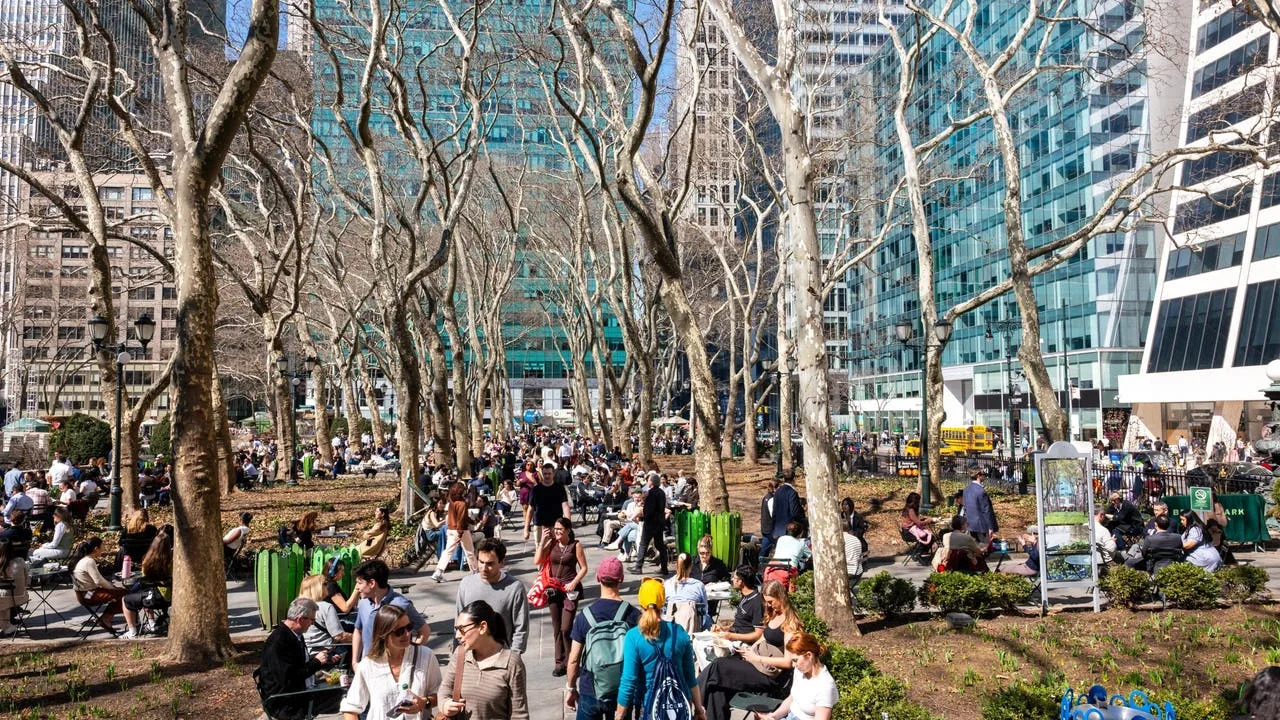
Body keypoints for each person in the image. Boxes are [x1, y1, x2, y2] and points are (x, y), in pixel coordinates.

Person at [698, 580, 798, 720]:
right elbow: (763, 638)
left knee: (717, 666)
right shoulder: (774, 614)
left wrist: (757, 658)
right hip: (757, 662)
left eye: (770, 601)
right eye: (766, 602)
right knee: (716, 688)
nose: (768, 605)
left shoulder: (790, 622)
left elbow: (788, 662)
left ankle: (693, 704)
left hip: (769, 675)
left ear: (780, 597)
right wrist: (746, 649)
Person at [616, 578, 706, 720]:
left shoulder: (633, 637)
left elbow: (629, 681)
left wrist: (619, 714)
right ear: (663, 603)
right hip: (680, 708)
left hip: (649, 708)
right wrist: (699, 710)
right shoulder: (679, 632)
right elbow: (690, 678)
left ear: (641, 604)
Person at [564, 556, 640, 720]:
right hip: (622, 692)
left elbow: (574, 660)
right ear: (621, 579)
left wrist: (571, 688)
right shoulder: (633, 615)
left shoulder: (585, 617)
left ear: (598, 578)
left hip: (590, 690)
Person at [340, 604, 441, 720]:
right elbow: (351, 708)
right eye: (399, 631)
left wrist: (423, 703)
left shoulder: (425, 655)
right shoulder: (368, 665)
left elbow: (441, 695)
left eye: (409, 627)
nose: (407, 634)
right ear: (383, 634)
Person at [437, 600, 531, 720]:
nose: (457, 636)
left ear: (482, 627)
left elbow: (519, 715)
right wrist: (445, 705)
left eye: (462, 629)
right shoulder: (460, 654)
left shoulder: (511, 663)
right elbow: (445, 689)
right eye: (456, 629)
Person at [257, 598, 341, 720]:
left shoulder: (294, 634)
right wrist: (316, 662)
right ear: (300, 619)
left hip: (297, 692)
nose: (313, 624)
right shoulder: (279, 641)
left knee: (342, 690)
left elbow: (299, 665)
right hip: (286, 702)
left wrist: (324, 661)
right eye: (312, 620)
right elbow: (289, 679)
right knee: (343, 698)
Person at [455, 537, 530, 654]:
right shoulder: (466, 584)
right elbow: (458, 622)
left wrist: (514, 656)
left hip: (501, 656)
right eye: (481, 562)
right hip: (469, 656)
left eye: (490, 564)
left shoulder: (515, 588)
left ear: (502, 562)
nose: (484, 568)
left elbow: (521, 627)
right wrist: (458, 653)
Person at [351, 559, 428, 664]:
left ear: (372, 583)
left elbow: (424, 631)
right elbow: (358, 630)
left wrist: (411, 658)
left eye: (360, 583)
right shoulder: (363, 603)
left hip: (393, 667)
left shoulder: (401, 604)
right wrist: (355, 662)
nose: (357, 587)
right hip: (368, 666)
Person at [541, 516, 589, 675]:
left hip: (570, 591)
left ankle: (571, 661)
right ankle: (559, 663)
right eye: (555, 529)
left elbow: (584, 568)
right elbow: (538, 560)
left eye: (560, 529)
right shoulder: (552, 543)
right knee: (557, 629)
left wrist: (574, 583)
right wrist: (543, 542)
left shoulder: (576, 545)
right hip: (553, 590)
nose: (557, 532)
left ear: (568, 530)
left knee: (566, 628)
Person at [755, 633, 837, 720]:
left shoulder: (825, 686)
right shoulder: (800, 670)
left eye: (795, 660)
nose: (793, 665)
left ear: (809, 655)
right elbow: (792, 698)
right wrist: (772, 716)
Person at [70, 537, 127, 633]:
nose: (103, 549)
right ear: (96, 548)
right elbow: (99, 581)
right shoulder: (89, 561)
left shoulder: (84, 560)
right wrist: (114, 588)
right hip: (88, 595)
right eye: (102, 546)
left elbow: (99, 581)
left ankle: (105, 618)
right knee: (124, 594)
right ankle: (106, 618)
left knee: (120, 593)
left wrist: (113, 588)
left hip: (84, 594)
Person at [524, 462, 571, 562]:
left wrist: (568, 525)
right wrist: (526, 528)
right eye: (545, 474)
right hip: (540, 525)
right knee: (540, 551)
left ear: (553, 474)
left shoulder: (559, 488)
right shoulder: (536, 489)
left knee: (557, 550)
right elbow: (530, 509)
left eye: (549, 473)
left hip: (556, 525)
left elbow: (565, 507)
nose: (547, 476)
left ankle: (553, 570)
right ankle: (541, 570)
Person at [433, 482, 479, 583]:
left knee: (448, 551)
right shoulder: (462, 504)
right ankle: (475, 571)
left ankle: (438, 571)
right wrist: (461, 530)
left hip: (450, 529)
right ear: (461, 492)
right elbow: (462, 519)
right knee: (469, 551)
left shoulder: (451, 503)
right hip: (461, 530)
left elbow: (459, 517)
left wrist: (471, 521)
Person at [299, 574, 352, 654]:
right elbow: (339, 636)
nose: (328, 586)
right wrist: (361, 637)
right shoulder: (326, 607)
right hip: (326, 652)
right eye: (325, 583)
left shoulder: (298, 605)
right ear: (317, 588)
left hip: (305, 652)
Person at [633, 472, 669, 576]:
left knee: (643, 544)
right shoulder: (662, 492)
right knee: (660, 545)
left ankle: (638, 567)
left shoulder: (651, 493)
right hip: (659, 522)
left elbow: (649, 510)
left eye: (648, 480)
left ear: (652, 482)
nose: (647, 482)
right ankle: (664, 568)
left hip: (650, 522)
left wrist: (643, 517)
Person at [715, 567, 763, 644]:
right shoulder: (745, 596)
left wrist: (732, 636)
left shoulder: (757, 602)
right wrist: (726, 629)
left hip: (744, 644)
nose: (732, 580)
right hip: (735, 638)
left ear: (740, 581)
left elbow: (758, 634)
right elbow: (742, 622)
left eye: (734, 578)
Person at [664, 552, 709, 634]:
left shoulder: (667, 584)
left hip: (670, 628)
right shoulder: (698, 585)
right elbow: (705, 610)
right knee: (708, 619)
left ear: (676, 565)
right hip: (693, 629)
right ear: (691, 565)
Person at [0, 536, 29, 636]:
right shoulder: (20, 561)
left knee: (3, 597)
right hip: (21, 596)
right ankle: (7, 626)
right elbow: (28, 581)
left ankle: (7, 627)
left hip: (4, 599)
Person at [961, 470, 998, 543]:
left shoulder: (966, 489)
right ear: (978, 476)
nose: (985, 476)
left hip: (970, 524)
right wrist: (990, 527)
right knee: (983, 547)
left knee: (974, 546)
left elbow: (965, 507)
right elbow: (986, 510)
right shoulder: (981, 491)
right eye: (984, 474)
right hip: (981, 526)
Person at [769, 473, 803, 549]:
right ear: (794, 479)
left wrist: (774, 529)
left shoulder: (778, 491)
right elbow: (794, 512)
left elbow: (774, 512)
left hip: (778, 529)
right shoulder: (792, 492)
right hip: (789, 529)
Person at [759, 481, 777, 561]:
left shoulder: (766, 497)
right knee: (781, 546)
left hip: (765, 528)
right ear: (775, 488)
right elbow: (774, 515)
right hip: (771, 530)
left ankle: (760, 564)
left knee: (764, 549)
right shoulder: (771, 499)